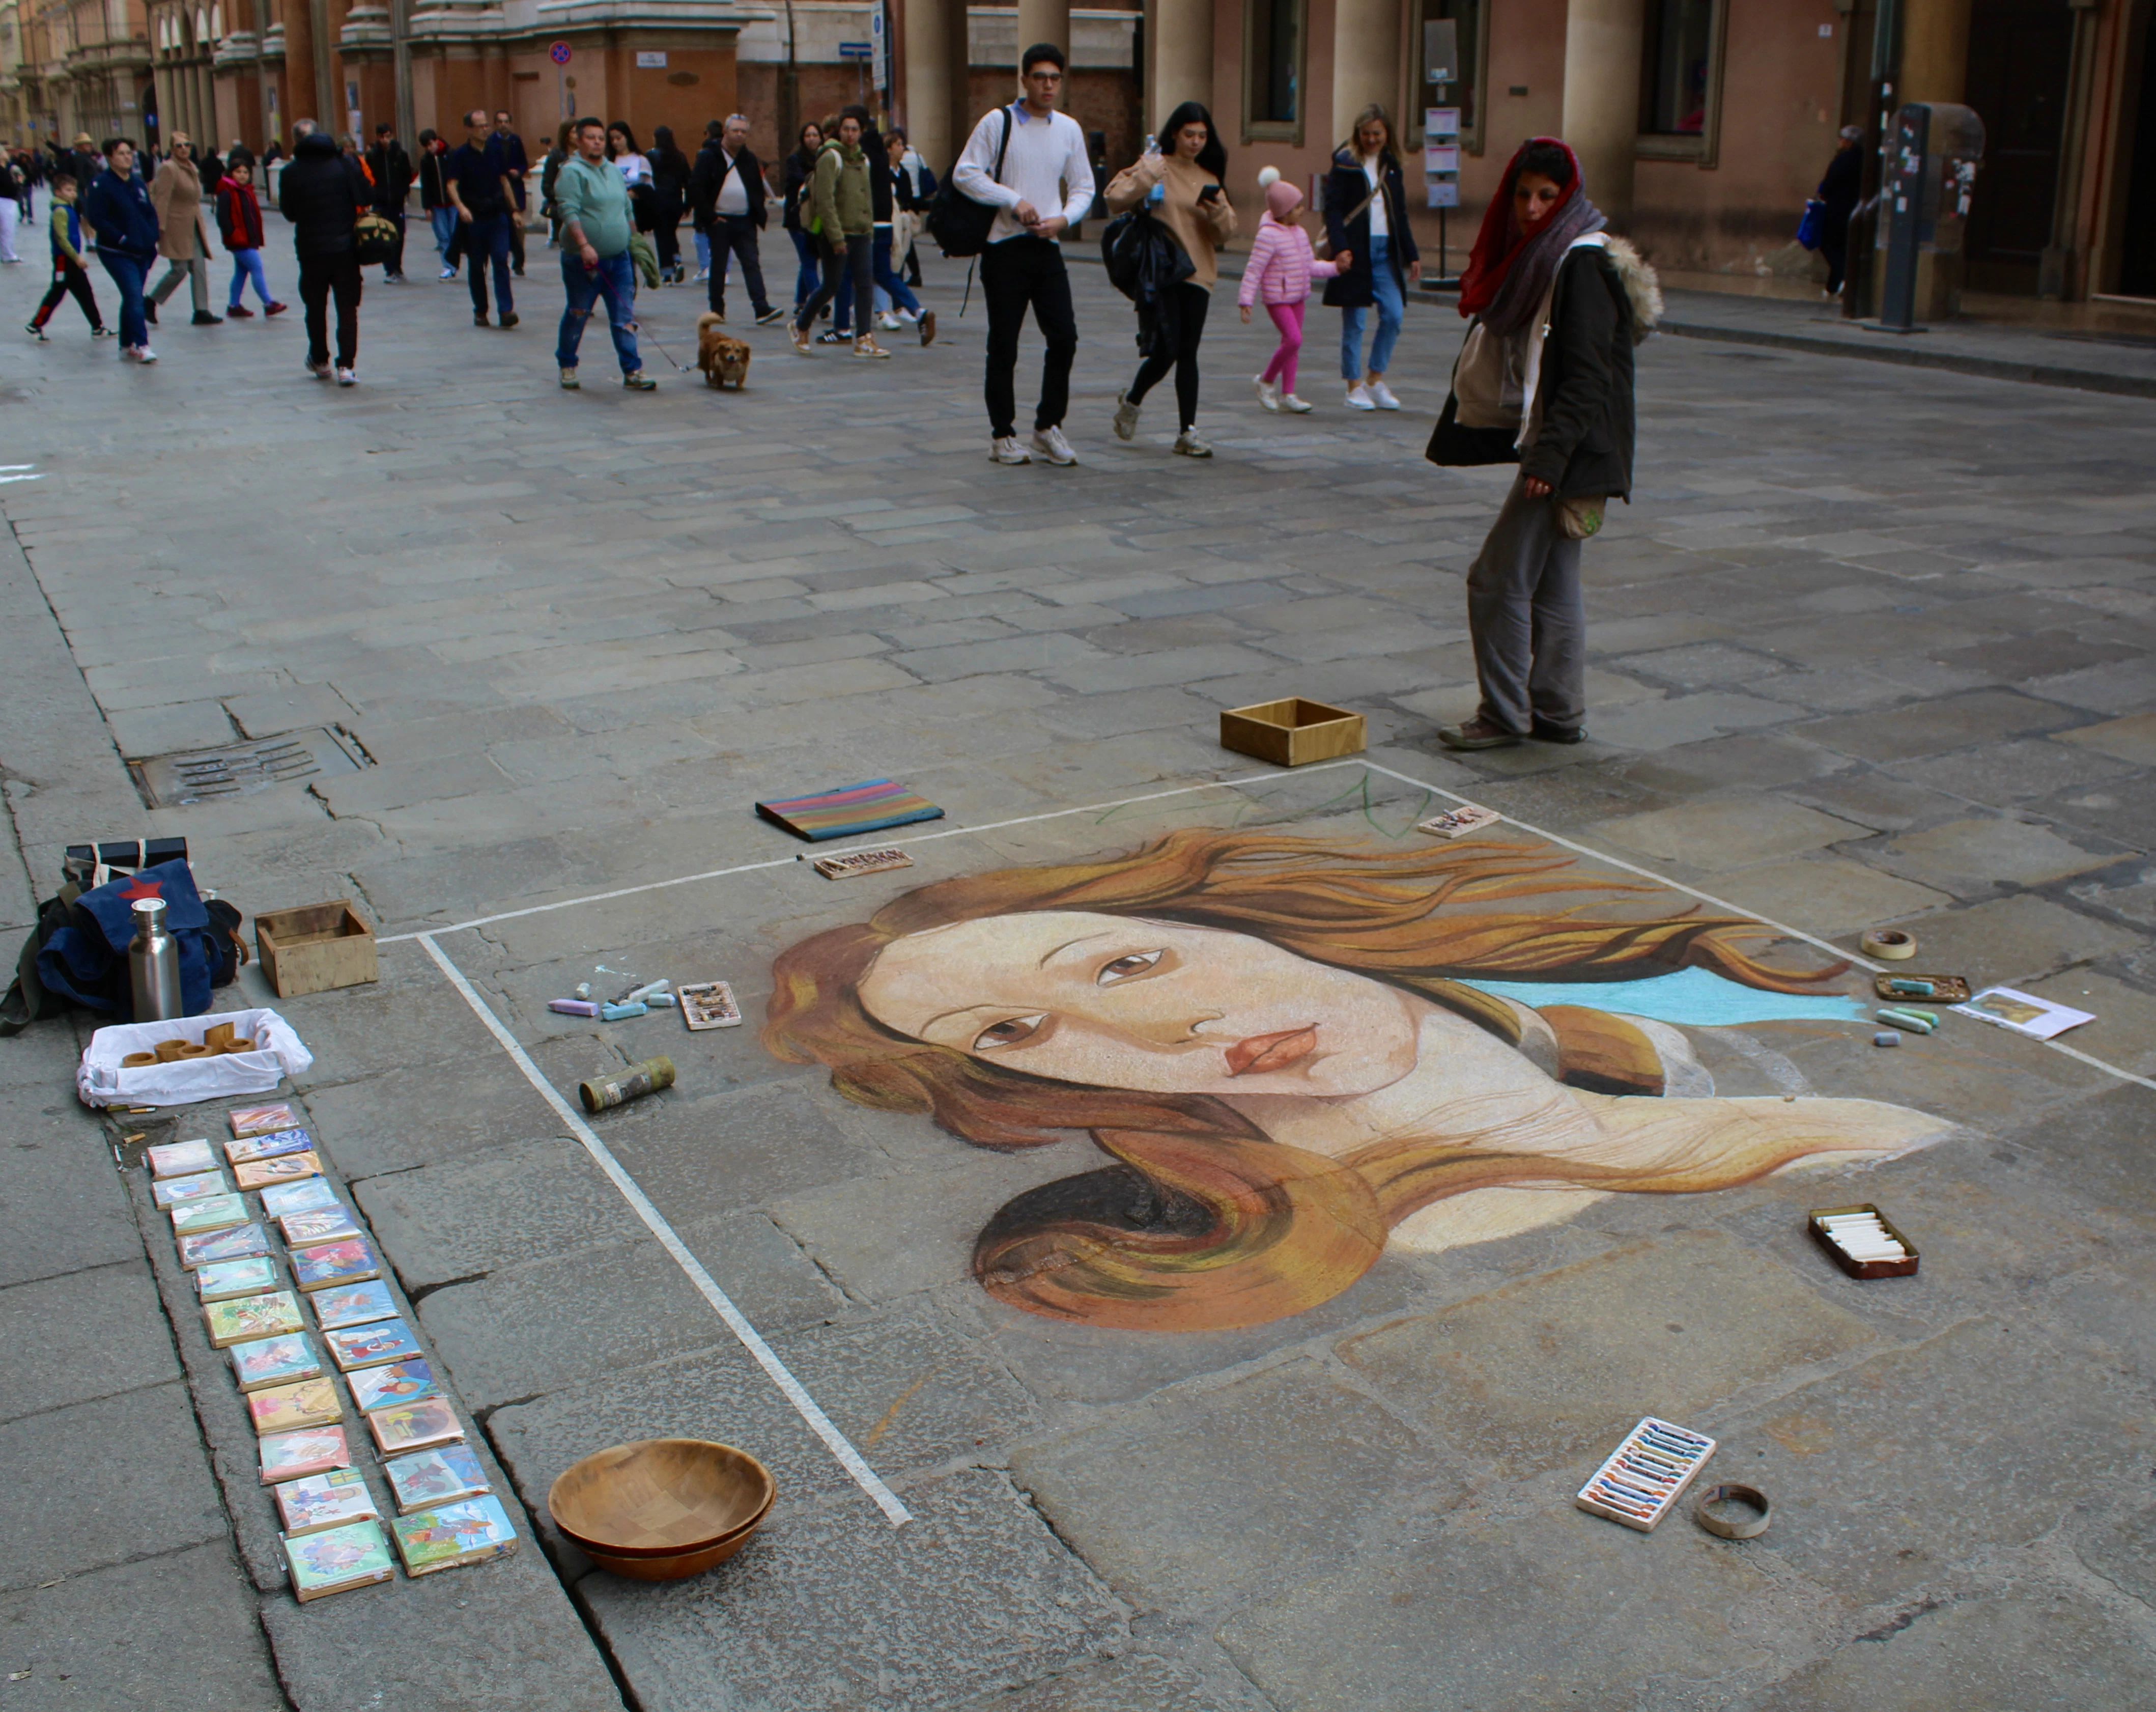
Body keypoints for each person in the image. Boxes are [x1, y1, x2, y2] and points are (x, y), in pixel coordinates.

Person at [765, 828, 1947, 1334]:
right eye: (1019, 1030)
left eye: (1132, 959)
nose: (1173, 1025)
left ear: (1232, 919)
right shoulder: (1379, 1222)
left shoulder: (1630, 1034)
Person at [1427, 137, 1657, 751]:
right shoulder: (1556, 255)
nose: (1531, 208)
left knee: (1495, 579)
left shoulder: (1579, 261)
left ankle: (1504, 714)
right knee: (1555, 584)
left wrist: (1548, 460)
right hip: (1579, 448)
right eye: (1524, 194)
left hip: (1572, 450)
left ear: (1569, 197)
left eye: (1546, 196)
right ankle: (1557, 712)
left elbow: (1588, 378)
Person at [952, 41, 1093, 467]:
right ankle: (1002, 434)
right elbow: (965, 173)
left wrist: (1063, 219)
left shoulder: (1068, 129)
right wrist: (1014, 200)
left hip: (1046, 247)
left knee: (1064, 336)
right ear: (1025, 79)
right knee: (1004, 345)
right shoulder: (999, 122)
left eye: (1055, 78)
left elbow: (1084, 186)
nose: (1048, 86)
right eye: (1040, 78)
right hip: (1004, 248)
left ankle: (1048, 426)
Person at [1106, 103, 1236, 458]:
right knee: (1170, 349)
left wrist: (1218, 212)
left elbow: (1226, 232)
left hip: (1199, 272)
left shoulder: (1209, 176)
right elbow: (1115, 197)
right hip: (1162, 271)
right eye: (1189, 134)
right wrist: (1147, 176)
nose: (1195, 142)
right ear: (1175, 134)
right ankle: (1135, 404)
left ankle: (1186, 430)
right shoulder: (1155, 164)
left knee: (1184, 351)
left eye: (1202, 136)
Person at [1322, 104, 1420, 410]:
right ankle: (1353, 385)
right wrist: (1340, 247)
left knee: (1393, 314)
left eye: (1377, 133)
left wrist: (1412, 254)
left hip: (1385, 251)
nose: (1372, 139)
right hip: (1356, 249)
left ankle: (1375, 380)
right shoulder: (1345, 164)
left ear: (1387, 134)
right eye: (1366, 134)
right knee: (1355, 321)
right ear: (1358, 134)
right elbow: (1333, 209)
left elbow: (1400, 214)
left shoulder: (1392, 166)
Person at [552, 116, 656, 394]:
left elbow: (626, 208)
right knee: (578, 312)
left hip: (619, 257)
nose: (598, 142)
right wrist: (584, 244)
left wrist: (635, 241)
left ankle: (633, 370)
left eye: (601, 137)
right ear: (579, 140)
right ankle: (567, 364)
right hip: (584, 260)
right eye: (591, 137)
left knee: (624, 315)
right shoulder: (572, 172)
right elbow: (569, 210)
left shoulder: (612, 170)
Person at [1240, 166, 1346, 414]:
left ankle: (1289, 393)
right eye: (1297, 207)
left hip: (1298, 295)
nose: (1302, 210)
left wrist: (1335, 268)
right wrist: (1246, 300)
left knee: (1293, 344)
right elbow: (1254, 270)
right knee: (1293, 339)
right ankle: (1266, 381)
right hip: (1277, 297)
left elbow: (1310, 265)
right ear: (1285, 211)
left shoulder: (1300, 233)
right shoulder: (1268, 236)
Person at [277, 117, 370, 385]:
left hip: (311, 249)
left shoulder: (291, 172)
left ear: (296, 141)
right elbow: (366, 196)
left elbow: (290, 213)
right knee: (347, 307)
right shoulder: (344, 164)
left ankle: (320, 360)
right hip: (345, 249)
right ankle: (347, 366)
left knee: (315, 307)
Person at [790, 108, 884, 359]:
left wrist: (869, 227)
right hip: (837, 234)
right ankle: (801, 325)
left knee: (865, 285)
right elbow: (825, 200)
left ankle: (864, 338)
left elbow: (867, 197)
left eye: (855, 130)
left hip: (861, 232)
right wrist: (835, 237)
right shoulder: (831, 157)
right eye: (846, 129)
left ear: (861, 132)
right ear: (839, 131)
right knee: (831, 285)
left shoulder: (863, 160)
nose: (850, 134)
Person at [691, 113, 783, 324]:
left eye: (744, 132)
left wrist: (756, 214)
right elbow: (696, 188)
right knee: (719, 266)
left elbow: (755, 187)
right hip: (720, 220)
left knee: (752, 262)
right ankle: (717, 310)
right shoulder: (709, 156)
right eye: (735, 131)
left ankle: (761, 308)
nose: (739, 135)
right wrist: (710, 217)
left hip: (744, 221)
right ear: (725, 132)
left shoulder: (749, 158)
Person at [84, 138, 159, 361]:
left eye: (129, 153)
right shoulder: (101, 185)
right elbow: (97, 218)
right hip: (117, 252)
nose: (127, 157)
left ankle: (126, 343)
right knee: (135, 294)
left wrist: (152, 235)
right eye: (122, 154)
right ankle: (142, 344)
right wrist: (122, 238)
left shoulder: (136, 183)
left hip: (143, 250)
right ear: (110, 157)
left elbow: (148, 211)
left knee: (131, 296)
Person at [447, 109, 518, 327]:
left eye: (487, 125)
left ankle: (506, 310)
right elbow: (451, 184)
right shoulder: (459, 155)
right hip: (474, 218)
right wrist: (461, 208)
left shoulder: (495, 151)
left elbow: (504, 181)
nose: (485, 129)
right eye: (480, 126)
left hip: (497, 214)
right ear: (469, 129)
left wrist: (514, 210)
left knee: (500, 260)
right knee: (477, 265)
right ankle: (480, 310)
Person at [864, 119, 932, 345]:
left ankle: (853, 324)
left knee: (851, 275)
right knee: (883, 274)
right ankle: (916, 310)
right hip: (886, 224)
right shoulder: (883, 163)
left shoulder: (868, 162)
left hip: (872, 225)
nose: (902, 148)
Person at [25, 173, 108, 340]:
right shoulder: (61, 211)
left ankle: (97, 326)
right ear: (57, 192)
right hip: (65, 260)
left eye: (74, 190)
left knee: (83, 292)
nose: (73, 193)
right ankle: (36, 324)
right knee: (59, 292)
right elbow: (61, 238)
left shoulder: (69, 209)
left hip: (69, 259)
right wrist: (76, 257)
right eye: (68, 190)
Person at [148, 132, 218, 324]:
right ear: (172, 149)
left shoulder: (191, 167)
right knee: (179, 270)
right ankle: (151, 300)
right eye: (179, 146)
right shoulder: (168, 168)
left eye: (187, 145)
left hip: (193, 224)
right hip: (175, 225)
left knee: (199, 267)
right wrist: (158, 228)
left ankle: (202, 310)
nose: (184, 149)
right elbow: (161, 199)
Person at [216, 161, 285, 318]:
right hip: (238, 239)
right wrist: (232, 233)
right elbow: (223, 217)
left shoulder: (246, 191)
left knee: (241, 272)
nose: (242, 175)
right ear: (231, 173)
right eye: (238, 172)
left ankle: (234, 305)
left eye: (245, 172)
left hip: (248, 238)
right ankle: (268, 303)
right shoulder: (227, 191)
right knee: (257, 267)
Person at [1815, 124, 1864, 298]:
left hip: (1837, 208)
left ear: (1848, 141)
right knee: (1843, 246)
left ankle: (1844, 276)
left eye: (1842, 138)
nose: (1840, 141)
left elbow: (1829, 184)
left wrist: (1823, 194)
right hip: (1855, 209)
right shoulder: (1865, 160)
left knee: (1828, 245)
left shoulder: (1843, 160)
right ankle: (1833, 286)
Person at [779, 121, 822, 315]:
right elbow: (799, 180)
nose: (812, 139)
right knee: (808, 259)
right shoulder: (795, 159)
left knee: (809, 258)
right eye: (808, 135)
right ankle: (817, 300)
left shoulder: (825, 157)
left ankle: (800, 301)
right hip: (797, 217)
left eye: (815, 135)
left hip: (817, 216)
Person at [364, 122, 413, 282]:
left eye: (388, 136)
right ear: (378, 137)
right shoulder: (372, 155)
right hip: (380, 202)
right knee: (385, 235)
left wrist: (403, 191)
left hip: (397, 202)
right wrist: (373, 194)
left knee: (399, 235)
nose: (385, 140)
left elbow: (407, 175)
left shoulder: (400, 154)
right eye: (382, 137)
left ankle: (398, 266)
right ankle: (390, 270)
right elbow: (368, 177)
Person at [647, 124, 690, 283]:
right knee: (671, 232)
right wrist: (688, 205)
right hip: (676, 201)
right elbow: (688, 181)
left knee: (662, 236)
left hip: (658, 201)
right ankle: (677, 259)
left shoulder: (651, 156)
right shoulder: (680, 156)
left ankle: (667, 271)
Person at [492, 111, 530, 275]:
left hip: (516, 188)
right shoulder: (491, 142)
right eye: (500, 122)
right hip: (498, 190)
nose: (503, 124)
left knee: (519, 228)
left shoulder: (516, 140)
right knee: (501, 227)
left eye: (506, 121)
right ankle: (502, 260)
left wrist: (519, 172)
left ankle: (519, 262)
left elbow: (524, 163)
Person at [417, 129, 456, 275]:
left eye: (430, 144)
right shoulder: (426, 160)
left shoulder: (450, 154)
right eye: (426, 146)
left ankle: (454, 262)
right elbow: (425, 185)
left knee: (454, 234)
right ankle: (448, 266)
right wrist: (427, 207)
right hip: (437, 205)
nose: (429, 148)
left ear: (436, 141)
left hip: (453, 203)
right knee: (443, 236)